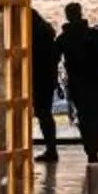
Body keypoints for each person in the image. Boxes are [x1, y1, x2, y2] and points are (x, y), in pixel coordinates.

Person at [57, 0, 98, 164]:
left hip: (77, 82)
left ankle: (90, 148)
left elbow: (52, 58)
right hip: (95, 82)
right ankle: (94, 148)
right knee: (95, 116)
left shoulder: (64, 38)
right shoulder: (93, 35)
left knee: (84, 116)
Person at [30, 8, 62, 162]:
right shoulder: (47, 35)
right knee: (45, 115)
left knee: (42, 115)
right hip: (47, 80)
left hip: (36, 79)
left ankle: (51, 149)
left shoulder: (33, 37)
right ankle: (51, 148)